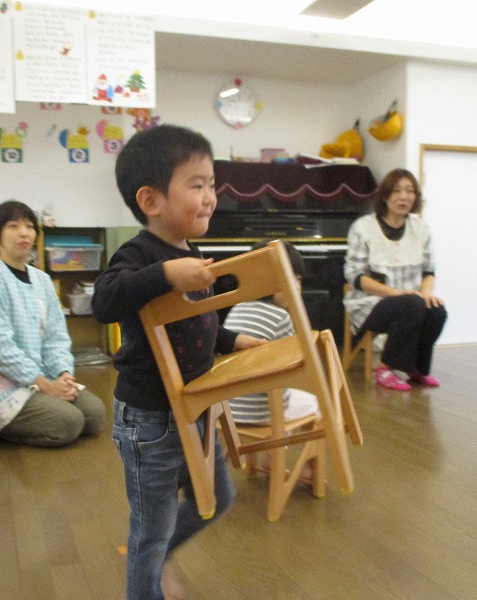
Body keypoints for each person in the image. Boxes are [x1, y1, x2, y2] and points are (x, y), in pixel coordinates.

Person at [92, 124, 264, 600]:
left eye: (212, 184)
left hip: (196, 408)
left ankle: (155, 555)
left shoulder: (192, 251)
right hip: (151, 420)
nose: (210, 198)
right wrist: (166, 273)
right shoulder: (140, 254)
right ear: (151, 200)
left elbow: (193, 324)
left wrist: (232, 340)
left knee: (216, 501)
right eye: (197, 185)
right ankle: (146, 576)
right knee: (150, 529)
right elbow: (105, 300)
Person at [0, 200, 106, 447]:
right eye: (13, 226)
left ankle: (47, 404)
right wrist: (47, 386)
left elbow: (55, 336)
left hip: (40, 378)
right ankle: (1, 428)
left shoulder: (42, 280)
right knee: (69, 422)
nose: (24, 233)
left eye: (29, 226)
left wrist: (63, 376)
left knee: (95, 414)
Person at [343, 168, 447, 391]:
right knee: (412, 304)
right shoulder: (363, 227)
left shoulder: (421, 229)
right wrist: (397, 293)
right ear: (385, 196)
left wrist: (426, 294)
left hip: (411, 302)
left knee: (437, 310)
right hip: (370, 303)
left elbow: (429, 271)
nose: (404, 197)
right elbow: (354, 276)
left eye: (410, 191)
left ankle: (417, 368)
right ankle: (385, 368)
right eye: (397, 191)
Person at [223, 239, 319, 425]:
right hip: (264, 414)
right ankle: (282, 443)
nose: (296, 287)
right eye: (288, 278)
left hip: (229, 413)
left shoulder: (237, 308)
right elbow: (297, 368)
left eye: (298, 279)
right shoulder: (280, 317)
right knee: (314, 401)